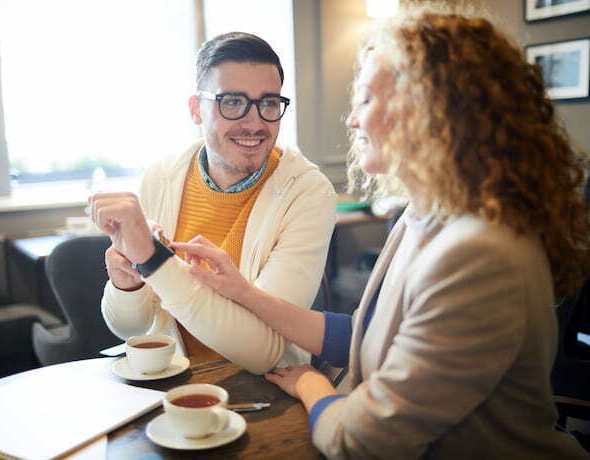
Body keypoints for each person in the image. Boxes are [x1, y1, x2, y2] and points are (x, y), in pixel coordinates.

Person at [171, 7, 590, 459]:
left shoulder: (480, 256)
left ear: (430, 110)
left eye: (367, 99)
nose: (352, 120)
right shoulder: (422, 216)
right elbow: (370, 335)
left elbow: (361, 441)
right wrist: (243, 291)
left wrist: (312, 384)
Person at [90, 32, 336, 375]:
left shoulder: (308, 193)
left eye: (268, 103)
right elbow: (129, 328)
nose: (254, 123)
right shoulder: (160, 177)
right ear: (196, 110)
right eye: (232, 102)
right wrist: (126, 284)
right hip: (169, 379)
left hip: (266, 390)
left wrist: (154, 262)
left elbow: (262, 352)